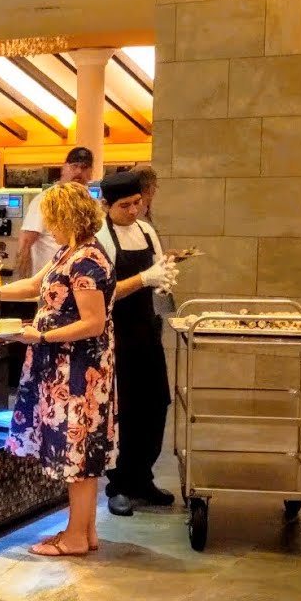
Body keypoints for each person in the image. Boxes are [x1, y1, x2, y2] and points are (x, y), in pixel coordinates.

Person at [0, 182, 116, 557]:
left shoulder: (86, 260)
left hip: (79, 370)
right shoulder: (70, 252)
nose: (48, 227)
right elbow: (36, 285)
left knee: (78, 453)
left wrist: (42, 336)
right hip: (64, 366)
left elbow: (93, 323)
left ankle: (75, 537)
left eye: (52, 219)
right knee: (79, 451)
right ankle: (84, 531)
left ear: (67, 218)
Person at [94, 171, 177, 516]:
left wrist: (163, 278)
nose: (133, 211)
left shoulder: (146, 231)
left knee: (155, 404)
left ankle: (143, 476)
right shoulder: (100, 237)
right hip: (116, 334)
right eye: (125, 205)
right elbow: (101, 293)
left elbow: (157, 268)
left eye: (137, 203)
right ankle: (119, 484)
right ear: (106, 205)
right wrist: (144, 278)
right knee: (123, 410)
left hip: (147, 329)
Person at [18, 147, 95, 277]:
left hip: (82, 279)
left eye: (84, 167)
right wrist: (23, 281)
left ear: (91, 172)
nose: (78, 171)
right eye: (74, 166)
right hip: (49, 280)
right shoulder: (45, 200)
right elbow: (25, 243)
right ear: (64, 168)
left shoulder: (91, 203)